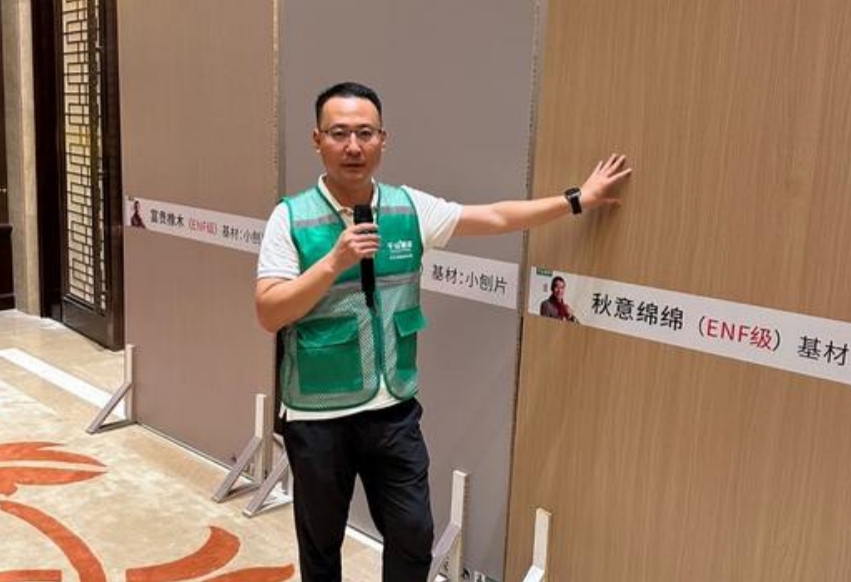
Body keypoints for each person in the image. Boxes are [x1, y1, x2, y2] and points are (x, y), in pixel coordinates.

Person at [255, 81, 631, 582]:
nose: (353, 146)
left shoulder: (407, 209)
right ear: (317, 140)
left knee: (414, 536)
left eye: (365, 133)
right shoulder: (291, 217)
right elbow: (269, 312)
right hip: (318, 417)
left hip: (393, 411)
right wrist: (332, 263)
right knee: (321, 548)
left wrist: (577, 199)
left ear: (383, 139)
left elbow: (494, 216)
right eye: (339, 133)